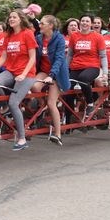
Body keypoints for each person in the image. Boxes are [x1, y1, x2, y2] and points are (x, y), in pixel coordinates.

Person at [0, 10, 37, 150]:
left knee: (14, 103)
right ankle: (4, 106)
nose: (11, 19)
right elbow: (4, 57)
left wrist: (23, 74)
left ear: (20, 19)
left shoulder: (27, 34)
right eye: (10, 17)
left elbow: (32, 58)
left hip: (27, 73)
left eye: (14, 17)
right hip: (11, 71)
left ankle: (22, 139)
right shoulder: (8, 36)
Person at [32, 14, 70, 145]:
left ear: (50, 26)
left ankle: (57, 134)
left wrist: (51, 75)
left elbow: (59, 59)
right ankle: (42, 107)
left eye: (42, 23)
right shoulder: (38, 38)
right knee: (35, 87)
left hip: (57, 74)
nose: (40, 25)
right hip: (43, 71)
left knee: (51, 103)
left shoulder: (59, 39)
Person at [67, 13, 108, 116]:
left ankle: (90, 103)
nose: (84, 23)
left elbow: (103, 56)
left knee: (83, 78)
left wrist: (105, 73)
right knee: (67, 89)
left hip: (92, 67)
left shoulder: (98, 37)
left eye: (87, 21)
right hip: (75, 67)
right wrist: (66, 69)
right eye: (83, 21)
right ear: (80, 22)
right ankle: (69, 120)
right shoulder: (74, 36)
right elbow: (70, 55)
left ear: (91, 24)